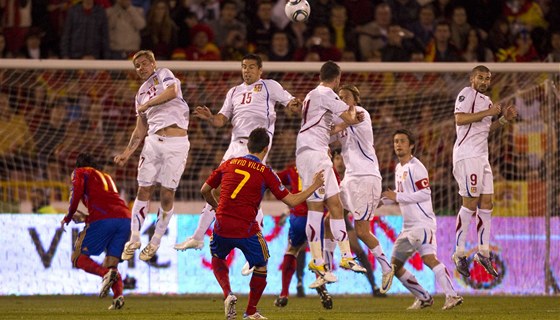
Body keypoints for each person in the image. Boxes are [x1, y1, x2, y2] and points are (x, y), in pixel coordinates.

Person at [174, 53, 301, 252]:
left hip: (255, 146)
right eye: (244, 66)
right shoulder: (234, 92)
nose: (247, 70)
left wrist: (295, 105)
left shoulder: (269, 86)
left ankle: (250, 244)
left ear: (260, 70)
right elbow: (221, 120)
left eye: (251, 67)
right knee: (218, 190)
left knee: (244, 193)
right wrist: (210, 117)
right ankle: (198, 237)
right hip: (234, 145)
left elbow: (291, 102)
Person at [203, 127, 325, 320]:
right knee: (261, 265)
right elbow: (292, 201)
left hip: (221, 225)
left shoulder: (228, 163)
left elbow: (205, 190)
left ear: (248, 144)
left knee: (218, 256)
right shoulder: (266, 172)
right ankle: (251, 311)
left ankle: (228, 294)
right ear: (266, 149)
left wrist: (217, 208)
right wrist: (315, 186)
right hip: (246, 228)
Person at [114, 49, 190, 262]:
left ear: (153, 63)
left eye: (145, 63)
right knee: (144, 189)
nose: (141, 68)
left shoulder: (164, 74)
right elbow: (140, 129)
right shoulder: (139, 94)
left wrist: (149, 104)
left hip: (176, 143)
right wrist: (126, 153)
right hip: (153, 141)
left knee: (167, 194)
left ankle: (155, 241)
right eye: (137, 66)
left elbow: (173, 92)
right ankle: (135, 237)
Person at [295, 61, 365, 286]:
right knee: (325, 206)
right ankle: (330, 258)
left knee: (326, 206)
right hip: (314, 153)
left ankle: (333, 258)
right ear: (337, 79)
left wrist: (346, 122)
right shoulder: (326, 93)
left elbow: (332, 127)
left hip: (311, 152)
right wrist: (354, 110)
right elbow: (350, 117)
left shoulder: (312, 95)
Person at [382, 129, 463, 310]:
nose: (398, 144)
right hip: (407, 227)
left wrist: (397, 197)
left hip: (421, 223)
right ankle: (424, 297)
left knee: (428, 259)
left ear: (411, 145)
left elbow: (425, 193)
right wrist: (384, 200)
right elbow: (400, 195)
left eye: (402, 141)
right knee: (394, 265)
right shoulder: (398, 168)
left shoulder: (416, 167)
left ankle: (452, 295)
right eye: (396, 141)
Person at [452, 65, 517, 278]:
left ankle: (483, 252)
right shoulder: (466, 93)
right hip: (467, 155)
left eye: (487, 78)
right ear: (472, 78)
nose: (484, 81)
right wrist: (488, 112)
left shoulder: (488, 101)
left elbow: (485, 129)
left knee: (487, 203)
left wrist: (503, 119)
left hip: (482, 156)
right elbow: (459, 119)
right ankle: (460, 252)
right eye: (480, 77)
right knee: (470, 203)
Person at [332, 84, 394, 293]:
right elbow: (330, 134)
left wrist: (335, 127)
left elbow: (340, 125)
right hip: (350, 178)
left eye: (345, 96)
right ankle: (331, 263)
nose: (341, 100)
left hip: (365, 177)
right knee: (330, 215)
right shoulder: (342, 118)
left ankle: (386, 266)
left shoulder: (360, 113)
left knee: (361, 231)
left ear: (355, 99)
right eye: (338, 97)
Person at [60, 153, 131, 310]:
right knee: (111, 262)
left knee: (77, 257)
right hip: (125, 219)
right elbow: (108, 205)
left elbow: (76, 193)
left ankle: (104, 274)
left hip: (104, 219)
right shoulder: (105, 176)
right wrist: (86, 218)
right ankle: (118, 296)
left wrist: (68, 216)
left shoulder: (80, 172)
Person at [273, 163, 333, 310]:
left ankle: (284, 294)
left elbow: (274, 180)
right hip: (316, 216)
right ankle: (323, 290)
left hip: (298, 216)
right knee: (317, 254)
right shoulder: (324, 168)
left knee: (292, 250)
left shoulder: (292, 169)